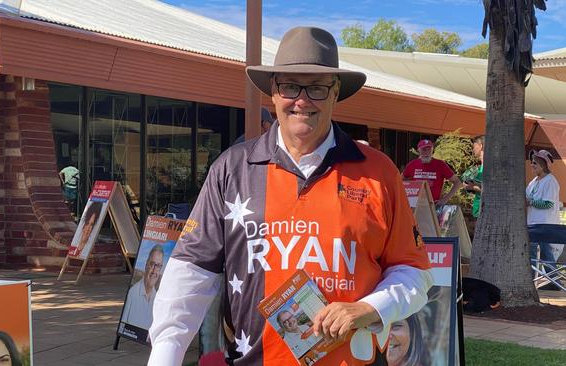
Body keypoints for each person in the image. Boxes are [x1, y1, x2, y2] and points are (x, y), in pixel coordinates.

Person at [149, 26, 432, 365]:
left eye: (316, 87)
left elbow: (415, 271)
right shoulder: (232, 169)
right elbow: (190, 274)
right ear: (273, 91)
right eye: (290, 86)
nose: (302, 100)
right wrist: (165, 356)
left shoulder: (379, 171)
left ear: (335, 92)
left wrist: (370, 307)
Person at [526, 149, 562, 264]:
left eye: (535, 163)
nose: (532, 165)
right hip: (533, 225)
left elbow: (548, 203)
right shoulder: (534, 181)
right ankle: (532, 279)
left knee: (546, 255)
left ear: (543, 165)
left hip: (545, 226)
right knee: (531, 255)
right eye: (532, 162)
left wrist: (531, 202)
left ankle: (553, 280)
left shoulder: (551, 181)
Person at [403, 139, 462, 206]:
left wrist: (445, 199)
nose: (427, 152)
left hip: (433, 205)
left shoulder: (440, 164)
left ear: (432, 150)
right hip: (415, 205)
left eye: (429, 149)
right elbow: (400, 180)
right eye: (424, 150)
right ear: (419, 151)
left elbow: (458, 182)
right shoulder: (412, 164)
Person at [122, 245, 164, 329]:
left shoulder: (158, 298)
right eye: (152, 264)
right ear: (146, 265)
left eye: (158, 266)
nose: (154, 270)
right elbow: (122, 326)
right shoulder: (133, 293)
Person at [463, 135, 485, 219]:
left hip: (485, 212)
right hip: (478, 210)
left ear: (481, 146)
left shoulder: (489, 167)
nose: (473, 149)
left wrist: (473, 187)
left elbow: (492, 192)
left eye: (474, 146)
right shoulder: (480, 167)